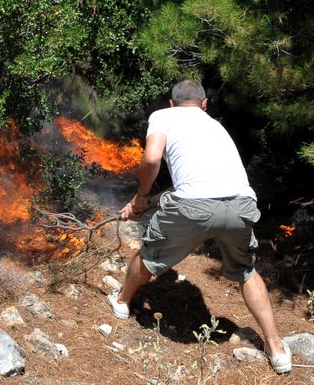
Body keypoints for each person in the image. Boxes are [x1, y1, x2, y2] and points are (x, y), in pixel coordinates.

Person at [107, 79, 292, 375]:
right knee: (246, 271)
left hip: (193, 207)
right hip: (241, 204)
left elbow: (152, 159)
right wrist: (145, 203)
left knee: (150, 255)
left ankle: (121, 301)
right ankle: (276, 348)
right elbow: (195, 186)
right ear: (204, 104)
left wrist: (140, 197)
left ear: (172, 104)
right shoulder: (215, 127)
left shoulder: (163, 117)